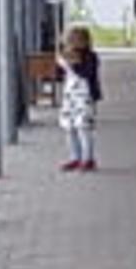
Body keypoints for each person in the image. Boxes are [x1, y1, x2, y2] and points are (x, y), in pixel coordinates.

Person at [55, 24, 105, 171]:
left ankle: (88, 158)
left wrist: (73, 64)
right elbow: (59, 77)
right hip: (69, 97)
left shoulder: (90, 57)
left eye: (70, 41)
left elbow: (86, 74)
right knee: (69, 127)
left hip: (85, 97)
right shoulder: (67, 56)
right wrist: (61, 65)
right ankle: (75, 157)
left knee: (83, 127)